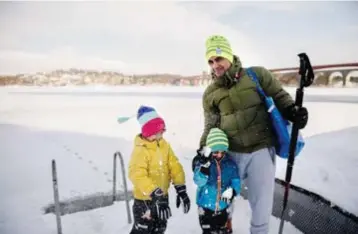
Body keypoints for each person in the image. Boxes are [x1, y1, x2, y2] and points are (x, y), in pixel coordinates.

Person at [197, 35, 309, 234]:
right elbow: (211, 126)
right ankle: (224, 228)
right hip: (230, 155)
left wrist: (293, 111)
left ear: (229, 56)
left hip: (261, 151)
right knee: (223, 199)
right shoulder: (211, 94)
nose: (215, 65)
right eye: (211, 61)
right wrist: (203, 149)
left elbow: (280, 97)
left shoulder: (257, 75)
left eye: (218, 58)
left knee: (261, 206)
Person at [128, 105, 190, 234]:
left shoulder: (164, 145)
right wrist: (153, 191)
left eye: (161, 132)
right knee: (143, 231)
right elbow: (136, 174)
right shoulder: (141, 150)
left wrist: (180, 187)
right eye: (158, 132)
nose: (161, 135)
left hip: (162, 199)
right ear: (148, 132)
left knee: (159, 229)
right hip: (144, 202)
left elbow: (174, 166)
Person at [192, 128, 241, 234]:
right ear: (210, 150)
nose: (219, 155)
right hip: (205, 208)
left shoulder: (230, 164)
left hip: (223, 207)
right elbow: (198, 181)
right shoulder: (203, 163)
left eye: (222, 152)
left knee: (222, 231)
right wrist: (204, 169)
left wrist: (233, 191)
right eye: (216, 152)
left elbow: (236, 181)